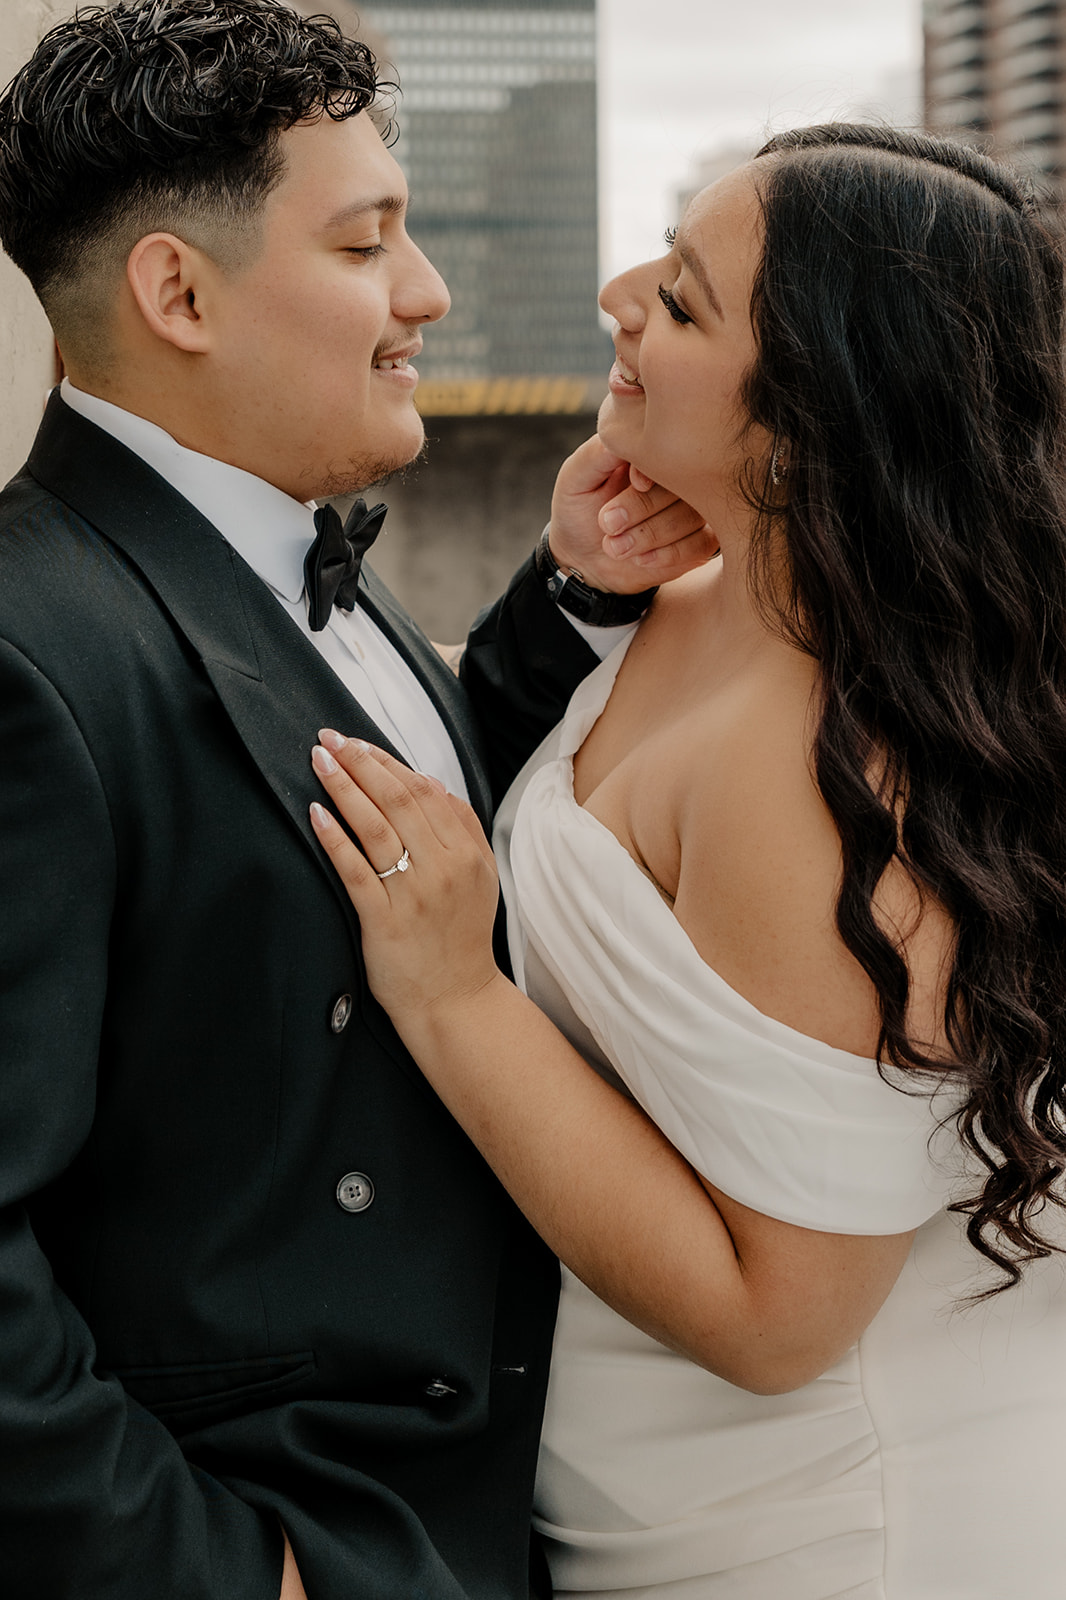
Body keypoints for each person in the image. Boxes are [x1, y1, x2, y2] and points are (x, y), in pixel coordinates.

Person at [0, 2, 713, 1596]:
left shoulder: (276, 547)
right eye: (367, 243)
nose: (427, 293)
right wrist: (231, 1576)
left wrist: (572, 601)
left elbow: (355, 820)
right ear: (176, 291)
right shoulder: (25, 651)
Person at [308, 124, 1066, 1598]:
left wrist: (457, 1001)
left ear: (809, 409)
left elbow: (778, 1321)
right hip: (624, 1482)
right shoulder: (693, 591)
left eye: (685, 297)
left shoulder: (835, 769)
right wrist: (577, 585)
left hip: (818, 1525)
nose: (617, 293)